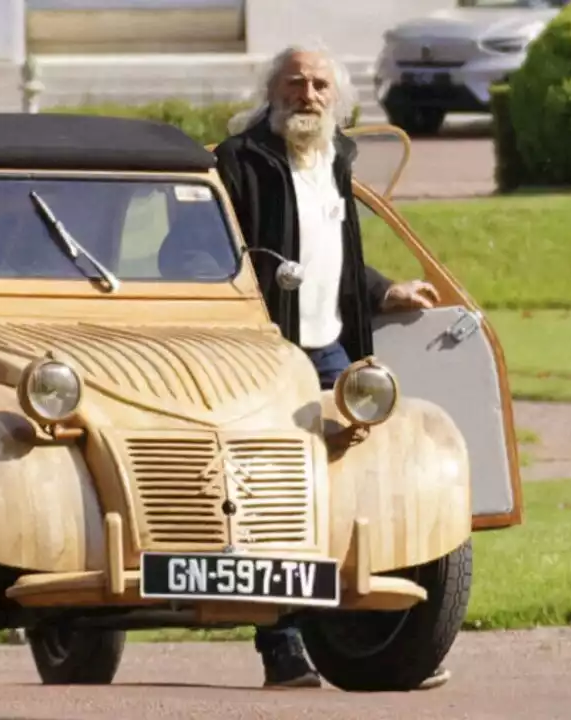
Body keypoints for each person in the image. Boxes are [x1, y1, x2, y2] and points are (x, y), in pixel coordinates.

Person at [211, 44, 447, 690]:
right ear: (272, 92)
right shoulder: (237, 162)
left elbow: (334, 253)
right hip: (264, 354)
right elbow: (205, 252)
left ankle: (386, 646)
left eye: (319, 86)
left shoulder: (335, 157)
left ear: (335, 98)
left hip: (332, 350)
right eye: (294, 84)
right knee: (272, 496)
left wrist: (381, 290)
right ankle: (281, 647)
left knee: (355, 485)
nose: (307, 96)